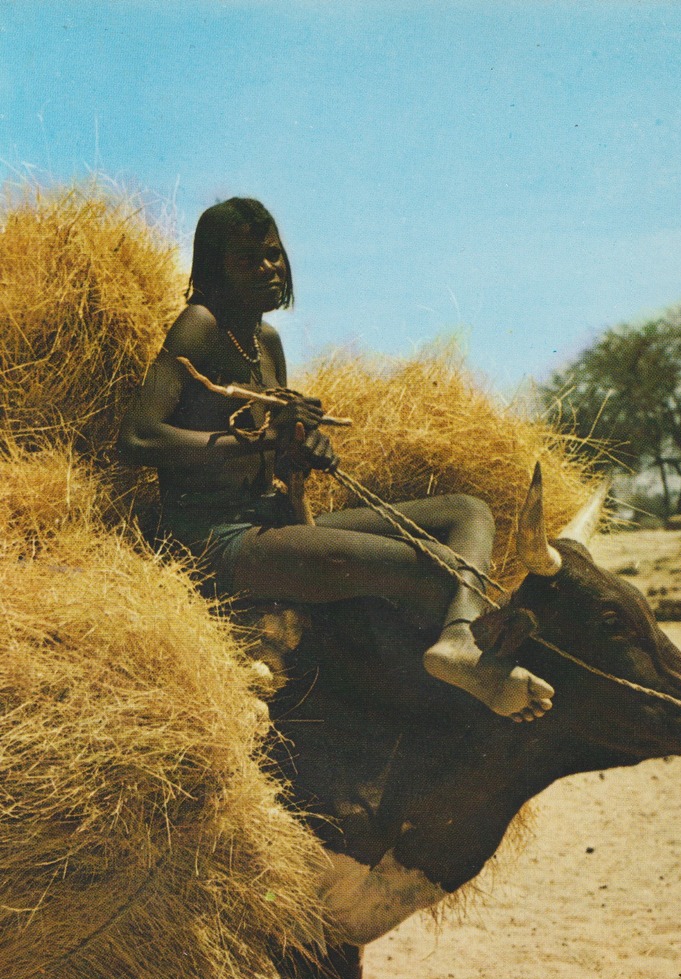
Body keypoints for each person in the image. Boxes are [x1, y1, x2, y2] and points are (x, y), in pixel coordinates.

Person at [118, 197, 554, 721]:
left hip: (273, 524)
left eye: (273, 254)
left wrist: (302, 449)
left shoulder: (266, 342)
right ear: (215, 270)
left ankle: (458, 642)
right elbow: (138, 438)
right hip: (216, 542)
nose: (268, 268)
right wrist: (264, 445)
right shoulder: (200, 323)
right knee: (438, 570)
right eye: (246, 260)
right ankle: (469, 652)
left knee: (468, 513)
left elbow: (273, 454)